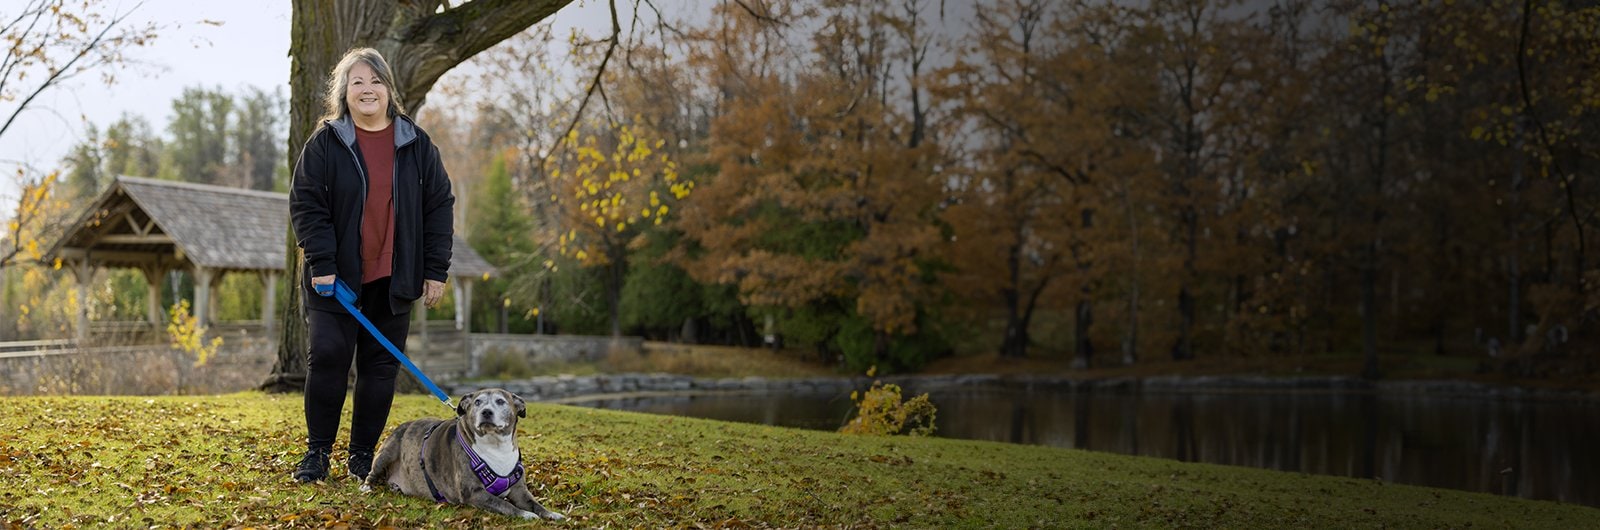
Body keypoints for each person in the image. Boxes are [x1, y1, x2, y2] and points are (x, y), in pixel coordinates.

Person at [288, 47, 454, 483]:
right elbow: (307, 204)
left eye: (375, 81)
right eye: (357, 81)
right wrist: (321, 262)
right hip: (334, 280)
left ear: (388, 90)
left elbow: (439, 207)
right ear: (344, 92)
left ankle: (362, 457)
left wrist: (435, 270)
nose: (367, 89)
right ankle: (317, 453)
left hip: (393, 279)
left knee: (380, 369)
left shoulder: (416, 144)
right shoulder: (327, 143)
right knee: (328, 356)